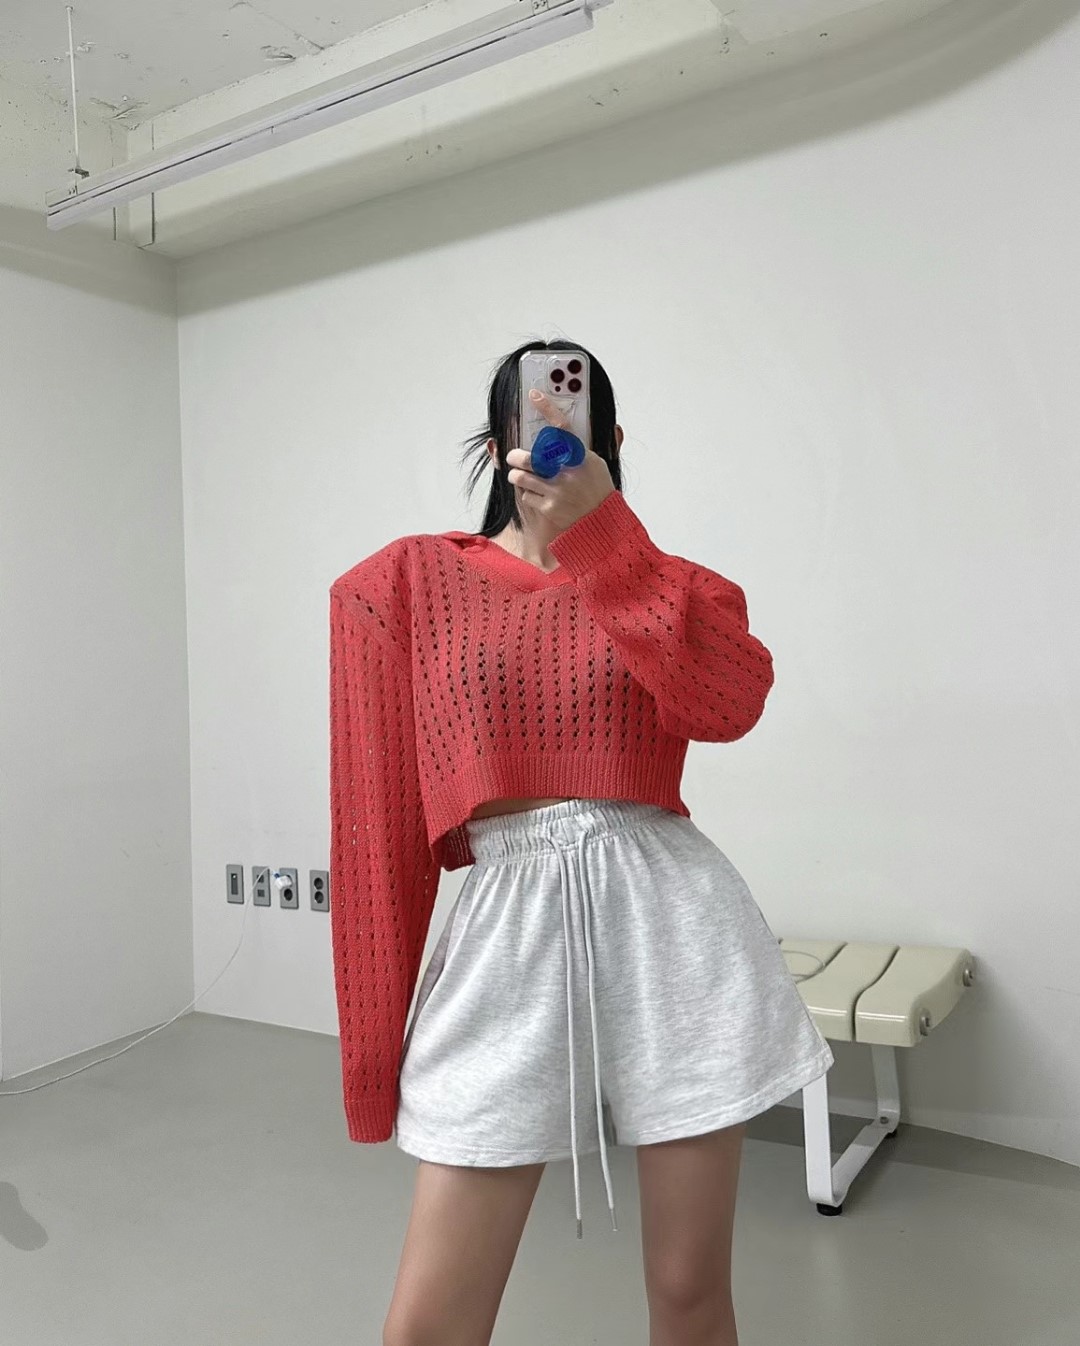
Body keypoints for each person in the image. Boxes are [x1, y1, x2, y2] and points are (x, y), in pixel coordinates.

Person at [328, 338, 834, 1346]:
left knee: (689, 1294)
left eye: (578, 423)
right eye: (532, 421)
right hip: (505, 931)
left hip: (675, 932)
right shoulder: (401, 585)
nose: (554, 437)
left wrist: (607, 542)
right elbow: (374, 837)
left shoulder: (671, 585)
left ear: (612, 440)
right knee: (427, 1326)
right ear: (498, 443)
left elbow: (728, 704)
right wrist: (372, 1060)